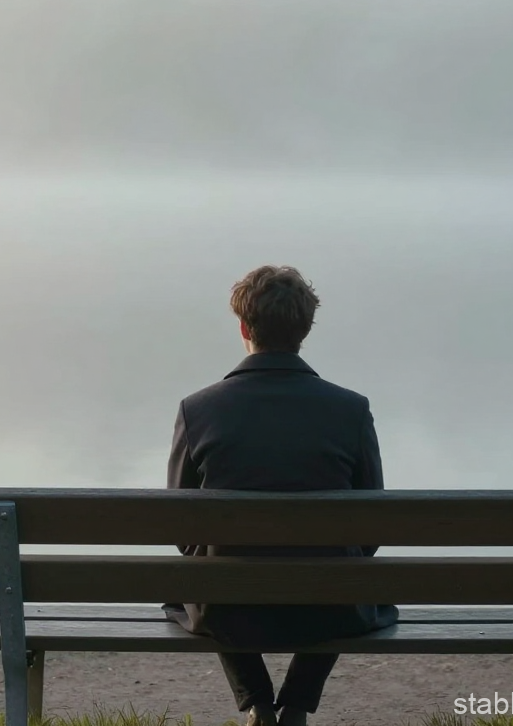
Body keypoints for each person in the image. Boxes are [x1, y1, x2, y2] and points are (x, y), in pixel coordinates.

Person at [164, 265, 398, 726]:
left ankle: (256, 701)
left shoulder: (198, 409)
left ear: (244, 328)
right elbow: (371, 527)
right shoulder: (350, 410)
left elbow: (181, 528)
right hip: (328, 610)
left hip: (230, 611)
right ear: (305, 330)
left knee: (197, 581)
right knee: (353, 582)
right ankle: (296, 704)